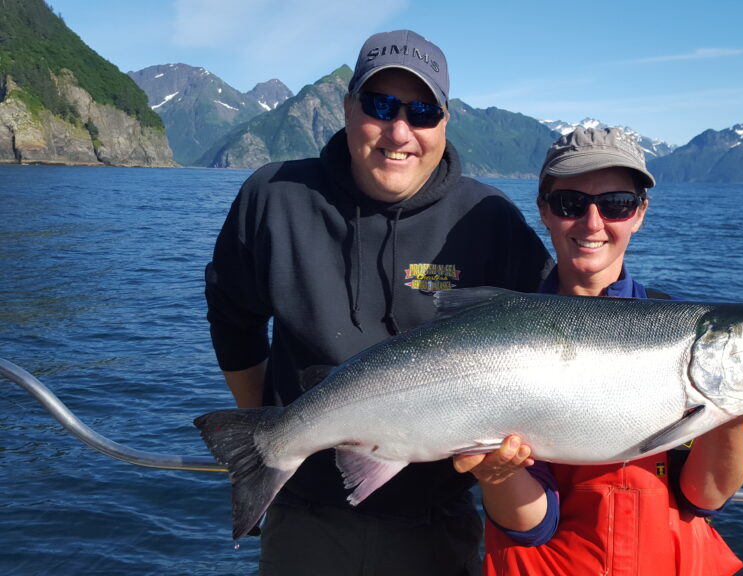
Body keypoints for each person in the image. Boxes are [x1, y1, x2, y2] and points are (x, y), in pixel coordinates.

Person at [205, 29, 551, 575]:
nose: (399, 131)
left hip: (437, 526)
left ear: (443, 122)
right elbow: (233, 320)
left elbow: (557, 331)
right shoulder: (274, 198)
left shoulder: (489, 219)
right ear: (346, 109)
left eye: (420, 112)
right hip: (305, 518)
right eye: (380, 105)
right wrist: (271, 433)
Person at [454, 127, 743, 575]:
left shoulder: (683, 335)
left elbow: (704, 496)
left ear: (640, 213)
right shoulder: (508, 347)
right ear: (544, 211)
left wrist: (734, 415)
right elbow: (533, 525)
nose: (593, 223)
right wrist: (498, 473)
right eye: (571, 203)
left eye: (616, 204)